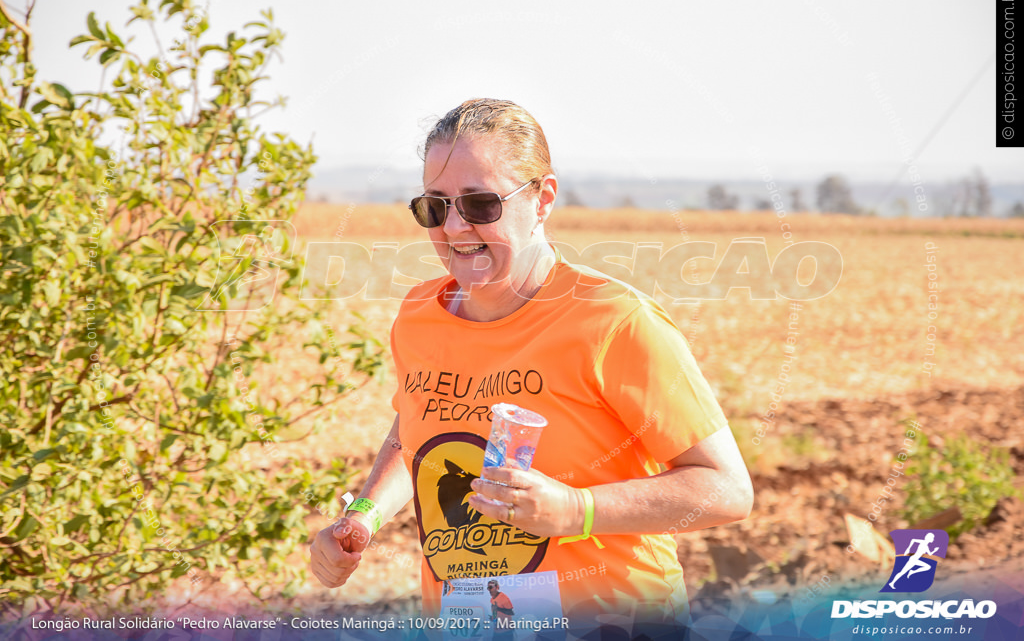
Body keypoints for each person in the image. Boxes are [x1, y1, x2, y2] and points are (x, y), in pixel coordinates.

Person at [310, 98, 754, 630]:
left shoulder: (612, 320)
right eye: (435, 205)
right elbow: (417, 425)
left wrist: (573, 510)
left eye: (479, 204)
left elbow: (726, 490)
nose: (453, 228)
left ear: (542, 199)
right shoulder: (419, 316)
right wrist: (364, 516)